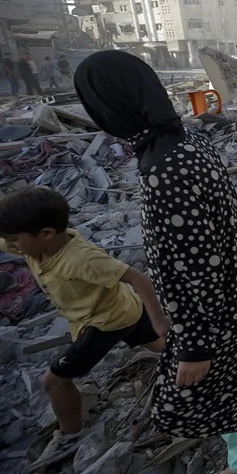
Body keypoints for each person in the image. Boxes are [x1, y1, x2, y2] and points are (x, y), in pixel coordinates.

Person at [75, 51, 237, 474]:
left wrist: (197, 344)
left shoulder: (163, 166)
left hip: (215, 310)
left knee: (180, 409)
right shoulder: (182, 140)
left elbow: (199, 265)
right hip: (236, 289)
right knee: (224, 386)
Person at [0, 187, 168, 460]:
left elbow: (138, 278)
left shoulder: (82, 259)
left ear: (46, 234)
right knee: (159, 344)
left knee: (54, 381)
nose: (12, 247)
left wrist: (160, 318)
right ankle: (190, 355)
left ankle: (71, 432)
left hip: (105, 323)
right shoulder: (33, 245)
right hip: (124, 308)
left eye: (15, 241)